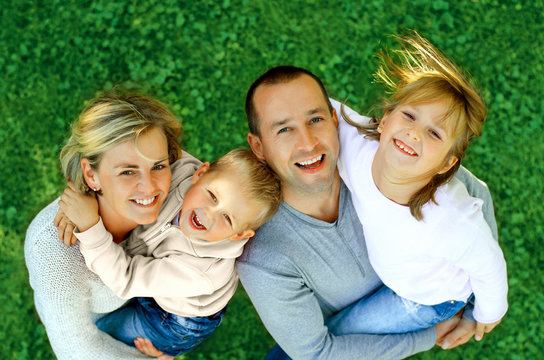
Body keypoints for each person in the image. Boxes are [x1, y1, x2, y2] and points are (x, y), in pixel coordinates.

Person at [238, 64, 499, 359]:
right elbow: (318, 354)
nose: (308, 142)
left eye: (316, 119)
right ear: (258, 147)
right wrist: (429, 336)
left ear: (335, 120)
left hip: (421, 293)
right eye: (284, 129)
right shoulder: (265, 258)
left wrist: (477, 304)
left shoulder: (382, 162)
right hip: (349, 340)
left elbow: (476, 193)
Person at [325, 33, 507, 339]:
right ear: (384, 121)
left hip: (428, 296)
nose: (414, 133)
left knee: (342, 332)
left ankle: (447, 319)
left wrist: (486, 314)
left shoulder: (450, 220)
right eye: (409, 115)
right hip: (398, 266)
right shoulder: (355, 148)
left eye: (434, 133)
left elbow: (489, 266)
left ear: (447, 164)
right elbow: (316, 110)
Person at [58, 147, 281, 358]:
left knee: (105, 329)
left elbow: (125, 278)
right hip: (163, 276)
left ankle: (160, 353)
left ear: (239, 235)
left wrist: (89, 225)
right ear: (200, 173)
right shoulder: (179, 169)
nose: (209, 214)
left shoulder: (201, 271)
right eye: (213, 196)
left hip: (176, 320)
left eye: (227, 218)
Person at [24, 92, 200, 359]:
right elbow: (77, 347)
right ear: (91, 174)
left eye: (158, 166)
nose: (150, 187)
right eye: (127, 171)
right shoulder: (53, 251)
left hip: (149, 300)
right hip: (102, 320)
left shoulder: (177, 180)